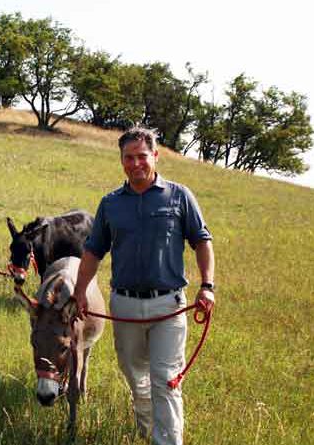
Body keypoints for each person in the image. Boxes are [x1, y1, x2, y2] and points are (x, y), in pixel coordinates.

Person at [73, 127, 215, 445]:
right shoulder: (110, 203)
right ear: (121, 160)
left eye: (141, 156)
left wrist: (207, 286)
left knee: (165, 380)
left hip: (169, 305)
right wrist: (80, 291)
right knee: (136, 375)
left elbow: (202, 242)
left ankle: (167, 440)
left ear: (155, 156)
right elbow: (93, 250)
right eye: (128, 157)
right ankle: (147, 427)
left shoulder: (180, 196)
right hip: (124, 306)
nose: (135, 163)